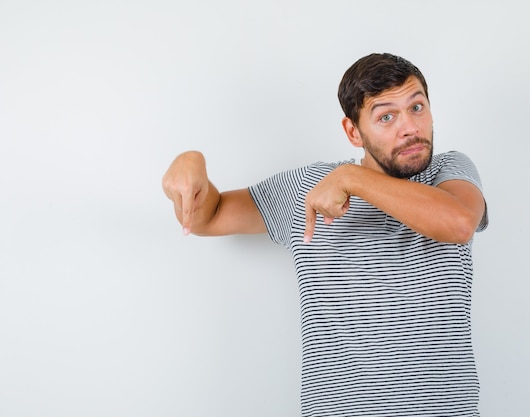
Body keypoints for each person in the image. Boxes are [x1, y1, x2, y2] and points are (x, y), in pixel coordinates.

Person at [162, 52, 488, 417]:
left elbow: (459, 224)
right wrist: (190, 162)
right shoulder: (307, 186)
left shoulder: (449, 171)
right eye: (386, 116)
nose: (410, 127)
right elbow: (212, 215)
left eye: (417, 107)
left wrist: (351, 178)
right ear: (353, 132)